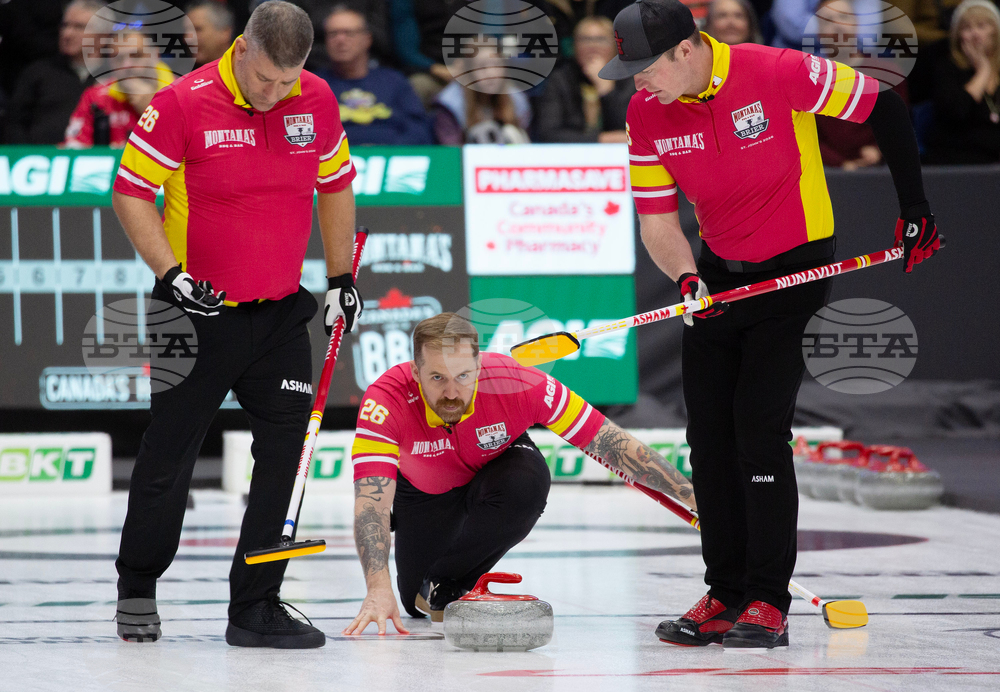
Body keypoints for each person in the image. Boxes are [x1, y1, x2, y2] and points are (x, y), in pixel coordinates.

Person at [600, 0, 939, 648]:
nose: (636, 80)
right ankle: (724, 592)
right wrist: (687, 279)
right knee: (708, 437)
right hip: (716, 277)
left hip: (796, 271)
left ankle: (766, 600)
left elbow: (885, 107)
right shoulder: (646, 112)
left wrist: (914, 207)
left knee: (757, 431)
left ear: (684, 49)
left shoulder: (777, 71)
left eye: (644, 66)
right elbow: (656, 219)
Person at [111, 1, 361, 649]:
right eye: (267, 79)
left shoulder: (316, 98)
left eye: (289, 81)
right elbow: (131, 192)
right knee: (169, 455)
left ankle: (255, 606)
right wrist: (170, 274)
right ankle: (137, 586)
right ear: (242, 49)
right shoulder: (182, 103)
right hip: (192, 312)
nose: (277, 94)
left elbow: (335, 184)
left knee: (286, 458)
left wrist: (341, 278)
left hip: (278, 314)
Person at [342, 313, 697, 633]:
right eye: (437, 378)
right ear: (415, 372)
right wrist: (377, 588)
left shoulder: (517, 381)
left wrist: (692, 495)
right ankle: (434, 580)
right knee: (413, 601)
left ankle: (450, 580)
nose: (451, 393)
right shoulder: (386, 400)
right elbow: (371, 502)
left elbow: (611, 443)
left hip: (498, 470)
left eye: (463, 376)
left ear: (479, 366)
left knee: (526, 482)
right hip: (424, 493)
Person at [317, 5, 432, 145]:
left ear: (367, 39)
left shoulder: (394, 81)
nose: (340, 40)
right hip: (336, 157)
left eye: (349, 33)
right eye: (333, 34)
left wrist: (387, 152)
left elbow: (419, 129)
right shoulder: (314, 86)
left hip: (393, 155)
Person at [5, 0, 102, 144]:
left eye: (79, 27)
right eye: (65, 25)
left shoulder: (114, 78)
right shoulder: (37, 73)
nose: (67, 34)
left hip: (100, 156)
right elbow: (14, 125)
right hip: (40, 156)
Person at [63, 31, 174, 148]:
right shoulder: (95, 96)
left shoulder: (181, 92)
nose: (127, 65)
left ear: (156, 55)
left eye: (136, 56)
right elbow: (73, 148)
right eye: (119, 58)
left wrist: (153, 111)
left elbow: (183, 149)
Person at [534, 16, 636, 143]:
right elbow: (547, 133)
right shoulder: (560, 79)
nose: (593, 46)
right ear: (574, 46)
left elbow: (635, 130)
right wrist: (600, 140)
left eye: (601, 39)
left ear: (615, 46)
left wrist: (607, 91)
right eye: (585, 39)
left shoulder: (631, 79)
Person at [926, 0, 1000, 164]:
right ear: (958, 36)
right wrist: (983, 71)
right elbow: (955, 112)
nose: (975, 34)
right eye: (967, 28)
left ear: (996, 31)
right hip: (957, 161)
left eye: (981, 26)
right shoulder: (947, 68)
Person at [187, 0, 234, 69]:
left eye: (198, 29)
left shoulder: (244, 71)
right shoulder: (179, 72)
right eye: (186, 31)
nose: (188, 39)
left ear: (225, 32)